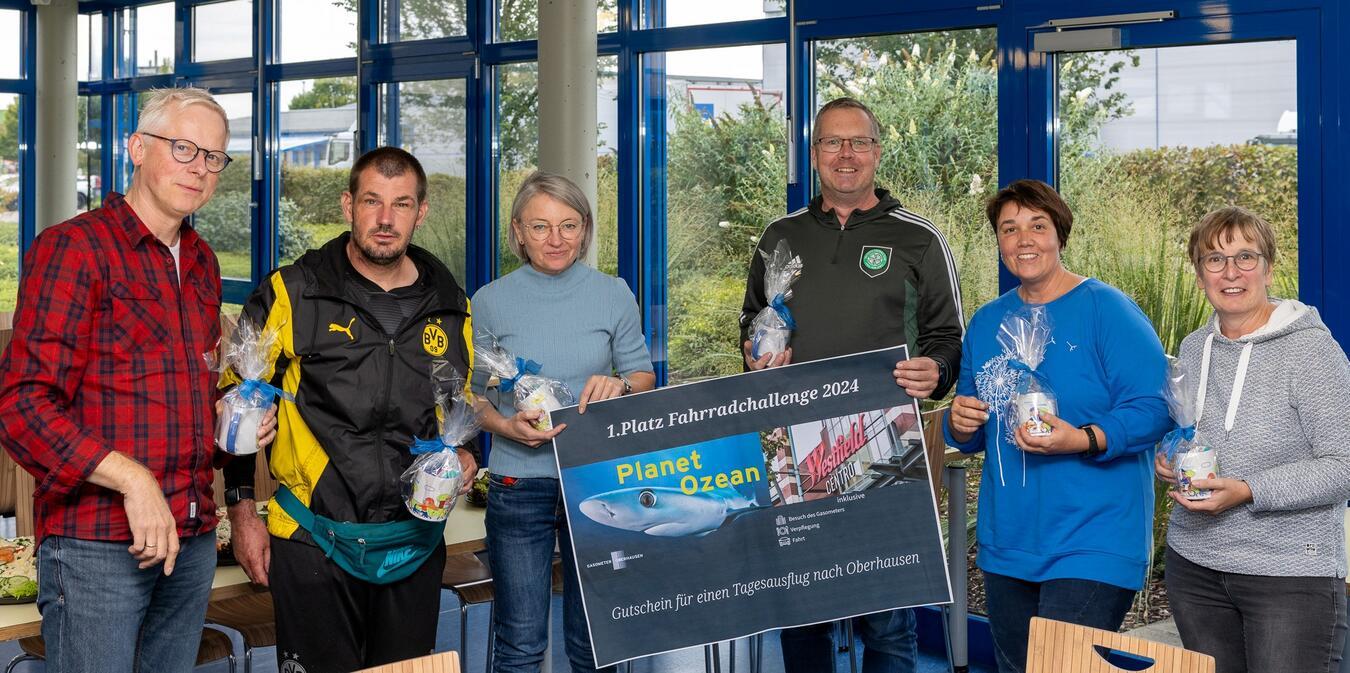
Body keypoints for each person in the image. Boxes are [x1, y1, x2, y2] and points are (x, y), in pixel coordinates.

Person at [0, 87, 277, 671]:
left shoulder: (202, 261)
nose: (199, 168)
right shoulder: (74, 249)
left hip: (193, 538)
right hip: (97, 546)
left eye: (213, 157)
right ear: (136, 148)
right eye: (183, 148)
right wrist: (132, 479)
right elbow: (21, 407)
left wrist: (228, 420)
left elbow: (182, 393)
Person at [220, 147, 479, 673]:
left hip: (414, 539)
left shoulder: (452, 304)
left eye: (401, 204)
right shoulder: (291, 292)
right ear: (347, 205)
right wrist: (244, 513)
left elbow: (458, 406)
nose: (386, 220)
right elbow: (234, 410)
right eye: (372, 202)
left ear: (420, 212)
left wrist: (467, 455)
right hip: (315, 540)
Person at [739, 96, 965, 673]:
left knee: (887, 619)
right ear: (814, 154)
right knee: (803, 614)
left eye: (858, 142)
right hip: (794, 450)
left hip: (886, 449)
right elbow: (752, 322)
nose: (846, 155)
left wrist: (936, 369)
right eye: (832, 142)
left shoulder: (918, 239)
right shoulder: (778, 237)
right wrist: (753, 353)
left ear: (877, 152)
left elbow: (948, 337)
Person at [943, 179, 1172, 673]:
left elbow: (1155, 408)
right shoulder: (986, 324)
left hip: (1094, 537)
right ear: (999, 242)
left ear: (1059, 234)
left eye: (1037, 226)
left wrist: (1083, 438)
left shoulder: (1107, 310)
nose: (1024, 239)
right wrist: (959, 425)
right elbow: (973, 424)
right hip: (1009, 541)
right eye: (1010, 229)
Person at [471, 171, 655, 673]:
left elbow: (643, 376)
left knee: (595, 641)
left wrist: (620, 385)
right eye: (540, 227)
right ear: (517, 231)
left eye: (568, 226)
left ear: (586, 229)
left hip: (596, 481)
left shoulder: (613, 293)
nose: (555, 240)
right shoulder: (488, 300)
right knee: (520, 643)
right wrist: (507, 427)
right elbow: (472, 397)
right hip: (516, 484)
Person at [1154, 206, 1350, 673]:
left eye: (1246, 256)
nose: (1231, 272)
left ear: (1268, 268)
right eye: (1214, 260)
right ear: (1200, 275)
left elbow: (1344, 464)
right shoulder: (1193, 347)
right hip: (1195, 565)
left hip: (1288, 576)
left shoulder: (1311, 352)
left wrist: (1248, 489)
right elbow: (1194, 431)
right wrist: (1169, 455)